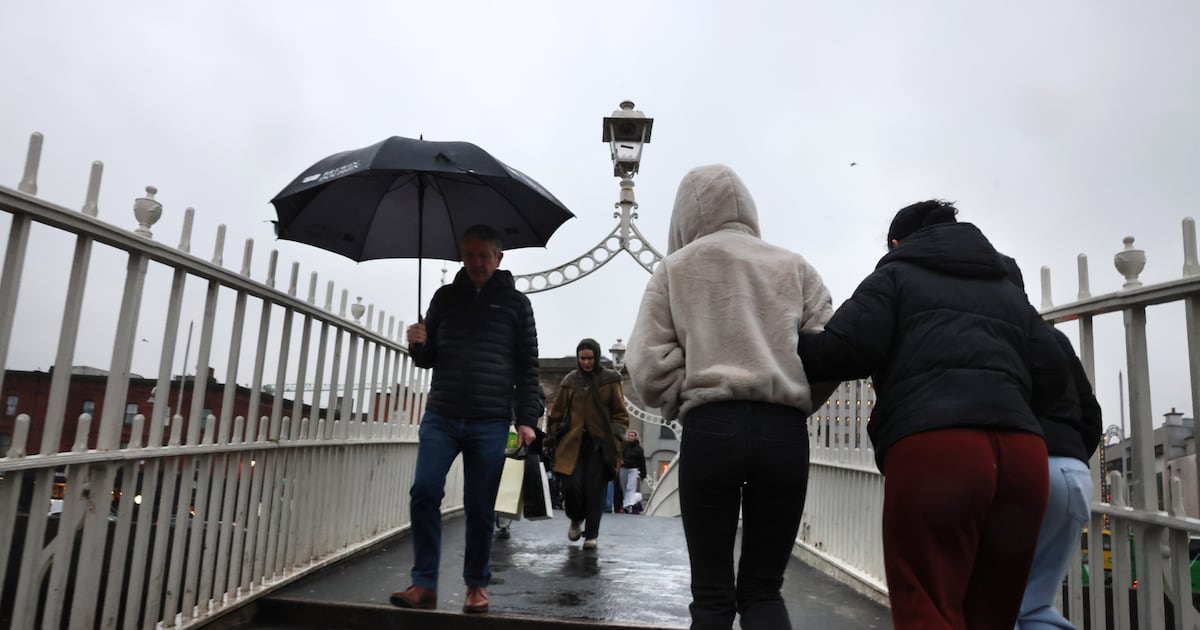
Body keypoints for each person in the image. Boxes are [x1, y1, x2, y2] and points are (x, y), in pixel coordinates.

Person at [796, 200, 1068, 629]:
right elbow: (1054, 376)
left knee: (929, 606)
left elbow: (843, 351)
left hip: (937, 449)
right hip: (1023, 457)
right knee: (994, 615)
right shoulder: (1007, 289)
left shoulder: (896, 272)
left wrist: (786, 339)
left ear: (899, 241)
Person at [625, 164, 835, 630]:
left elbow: (646, 364)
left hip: (711, 428)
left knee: (712, 597)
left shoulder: (676, 269)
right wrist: (798, 395)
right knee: (763, 591)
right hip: (783, 433)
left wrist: (686, 396)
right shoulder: (794, 266)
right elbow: (828, 352)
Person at [390, 224, 541, 615]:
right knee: (424, 490)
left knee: (479, 505)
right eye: (470, 255)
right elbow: (429, 359)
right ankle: (424, 584)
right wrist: (417, 343)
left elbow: (527, 366)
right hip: (442, 413)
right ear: (462, 255)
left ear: (499, 258)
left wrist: (527, 418)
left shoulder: (516, 305)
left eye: (484, 256)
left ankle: (477, 584)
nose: (476, 263)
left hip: (490, 420)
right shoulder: (444, 298)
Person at [1002, 257, 1103, 630]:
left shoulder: (996, 336)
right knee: (1034, 607)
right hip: (1073, 472)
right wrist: (1069, 457)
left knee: (993, 604)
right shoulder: (1055, 339)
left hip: (1023, 468)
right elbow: (1091, 417)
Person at [546, 338, 629, 550]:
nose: (586, 362)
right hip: (571, 444)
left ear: (597, 356)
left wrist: (615, 436)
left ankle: (591, 535)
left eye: (590, 358)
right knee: (571, 486)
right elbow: (556, 414)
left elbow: (620, 414)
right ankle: (575, 518)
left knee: (595, 490)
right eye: (582, 358)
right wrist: (554, 432)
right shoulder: (570, 382)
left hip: (599, 445)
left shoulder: (610, 380)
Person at [619, 429, 647, 513]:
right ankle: (626, 503)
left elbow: (642, 462)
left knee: (630, 487)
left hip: (633, 469)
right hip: (623, 468)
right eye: (629, 435)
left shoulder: (639, 449)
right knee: (623, 487)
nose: (631, 437)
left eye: (632, 435)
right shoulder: (623, 446)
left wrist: (643, 474)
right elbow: (619, 454)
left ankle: (628, 505)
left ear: (635, 437)